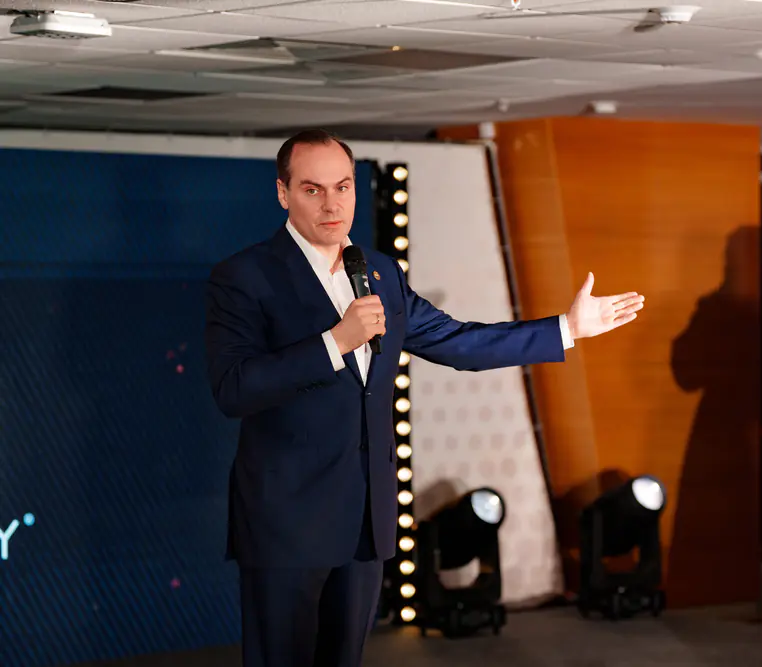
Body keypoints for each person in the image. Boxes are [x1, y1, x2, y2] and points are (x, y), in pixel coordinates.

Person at [203, 128, 644, 667]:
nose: (331, 204)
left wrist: (565, 329)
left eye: (343, 187)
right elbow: (235, 388)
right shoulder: (245, 276)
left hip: (365, 520)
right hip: (287, 523)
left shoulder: (380, 272)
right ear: (283, 193)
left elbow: (458, 342)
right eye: (312, 190)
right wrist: (335, 342)